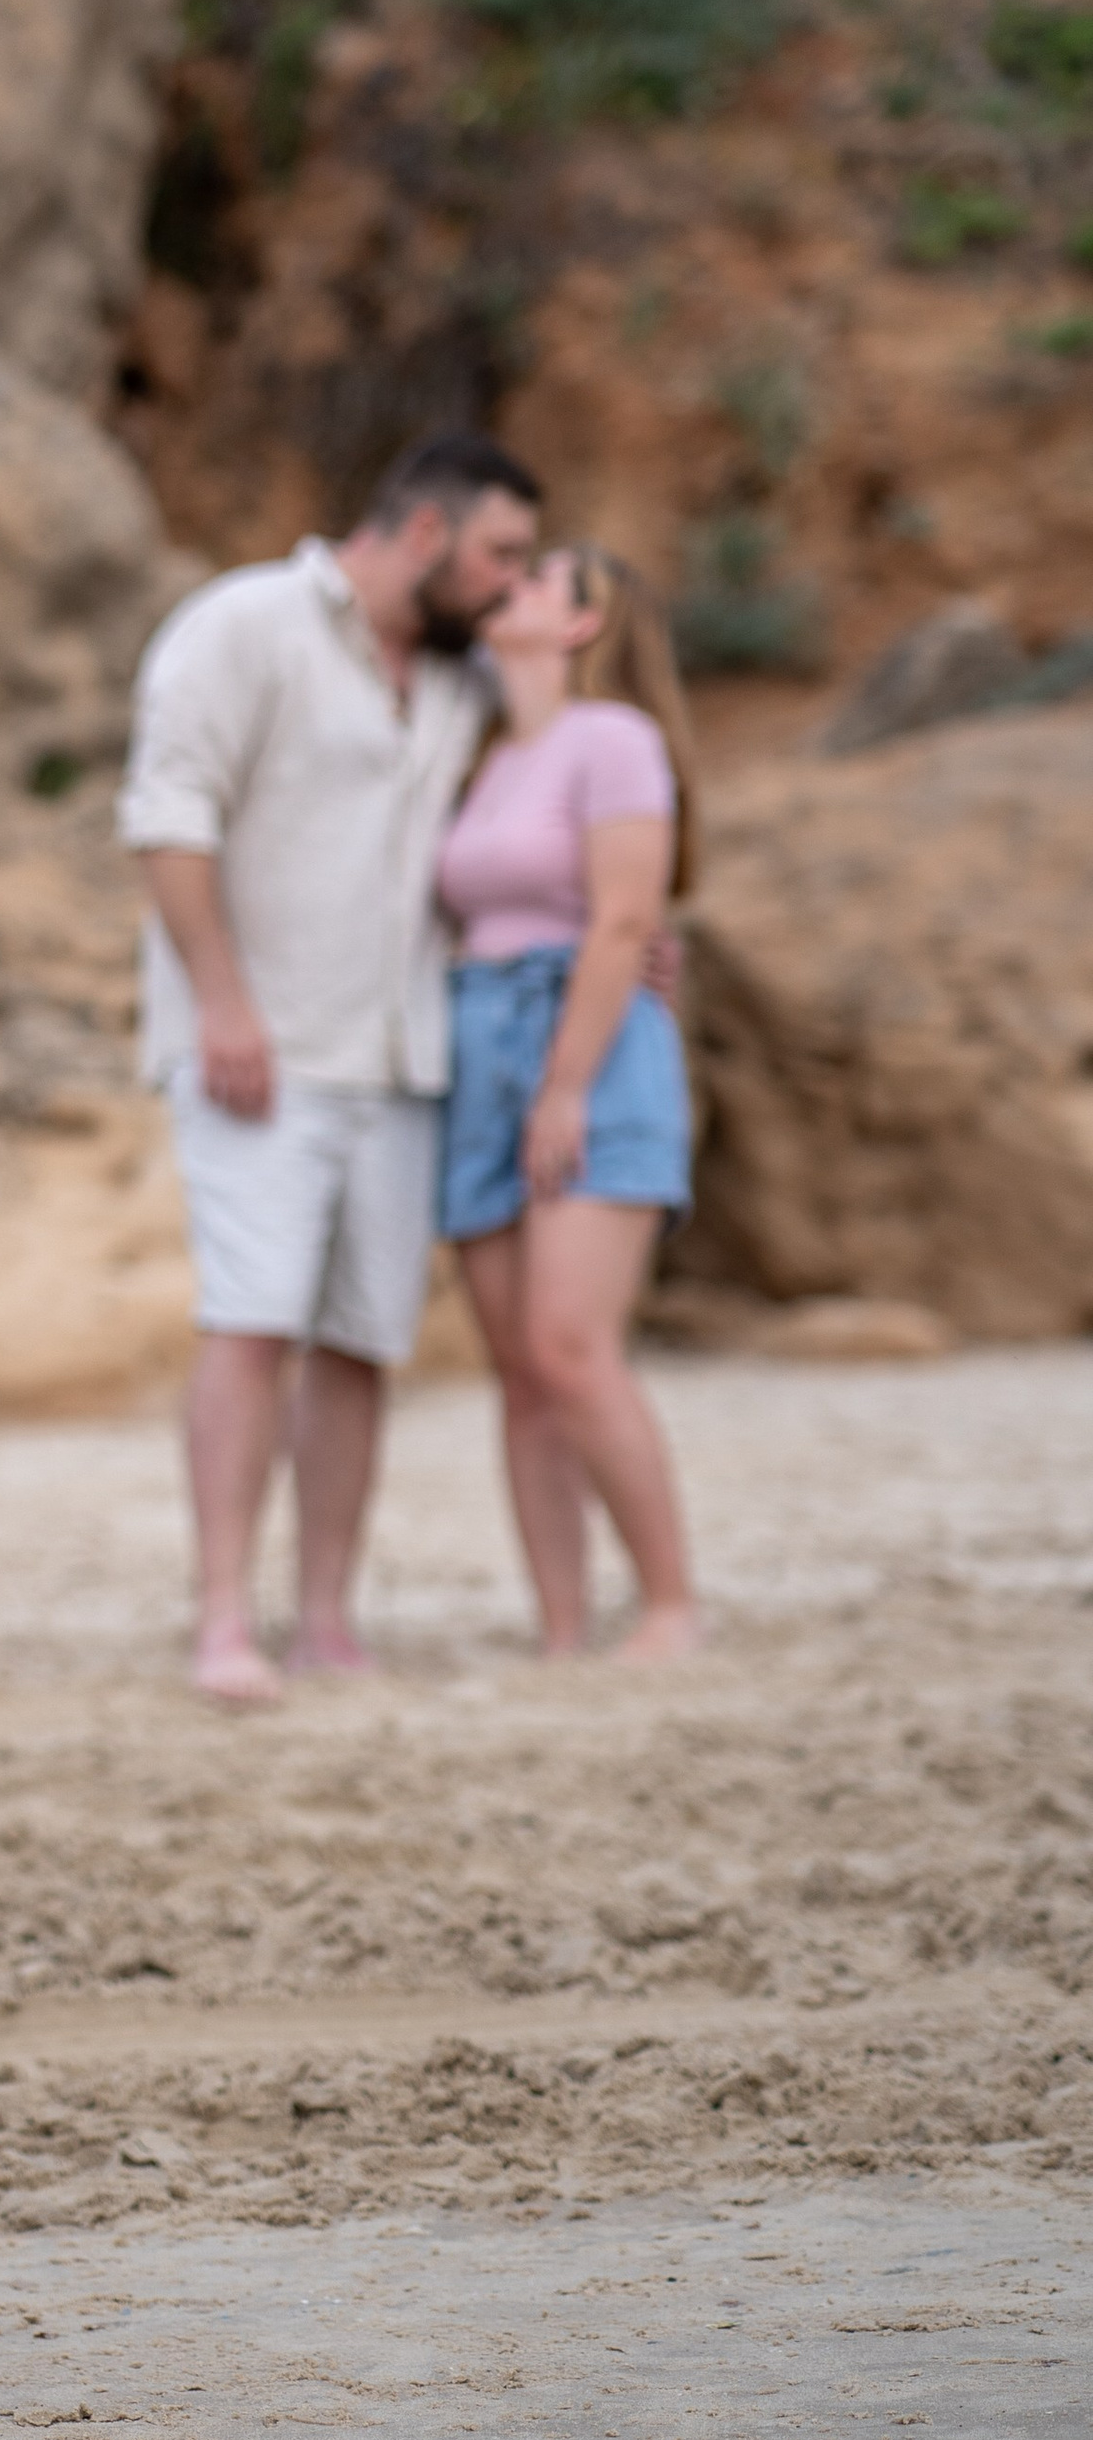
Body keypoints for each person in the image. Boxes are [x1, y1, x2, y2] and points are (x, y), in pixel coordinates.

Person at [119, 433, 542, 1706]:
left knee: (360, 1341)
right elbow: (168, 817)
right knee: (251, 1321)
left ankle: (325, 1618)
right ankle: (220, 1619)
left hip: (404, 1056)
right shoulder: (243, 623)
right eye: (501, 553)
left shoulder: (467, 674)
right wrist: (224, 1005)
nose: (513, 583)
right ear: (425, 531)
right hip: (260, 1049)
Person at [436, 545, 700, 1660]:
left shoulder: (616, 739)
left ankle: (670, 1605)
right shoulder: (485, 752)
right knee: (519, 1369)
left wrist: (567, 1085)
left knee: (570, 1345)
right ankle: (561, 1625)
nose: (513, 584)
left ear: (587, 624)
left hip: (582, 1044)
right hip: (476, 1042)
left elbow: (625, 919)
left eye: (543, 577)